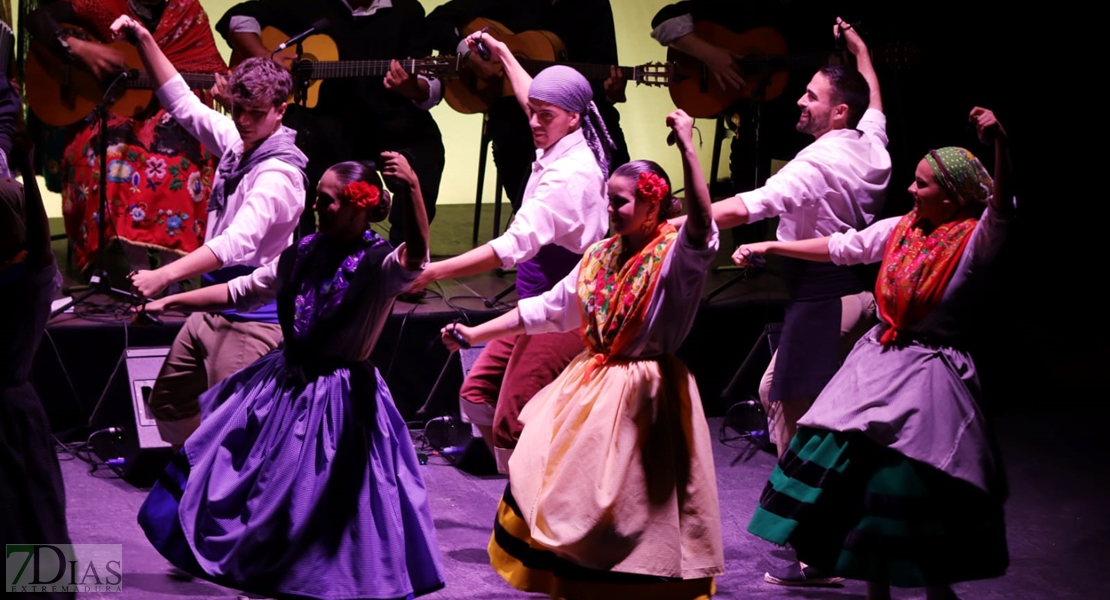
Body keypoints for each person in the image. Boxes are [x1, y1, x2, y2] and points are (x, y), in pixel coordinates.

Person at [133, 149, 444, 599]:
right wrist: (169, 300)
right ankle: (263, 570)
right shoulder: (302, 252)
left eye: (328, 200)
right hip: (284, 385)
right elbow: (240, 289)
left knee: (324, 502)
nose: (315, 207)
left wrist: (413, 188)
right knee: (252, 487)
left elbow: (417, 255)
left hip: (341, 399)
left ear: (359, 206)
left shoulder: (381, 266)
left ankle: (317, 582)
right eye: (317, 197)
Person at [441, 109, 721, 598]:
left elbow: (701, 223)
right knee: (564, 493)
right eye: (608, 201)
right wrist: (474, 332)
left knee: (633, 508)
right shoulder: (598, 256)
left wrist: (689, 152)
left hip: (647, 394)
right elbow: (547, 310)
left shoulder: (676, 257)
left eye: (620, 202)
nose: (610, 209)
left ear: (653, 206)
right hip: (592, 385)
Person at [741, 107, 1014, 600]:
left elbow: (1003, 208)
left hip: (929, 373)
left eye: (923, 185)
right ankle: (874, 589)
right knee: (852, 474)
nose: (911, 190)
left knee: (911, 485)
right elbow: (844, 246)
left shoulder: (974, 240)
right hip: (876, 363)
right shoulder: (902, 229)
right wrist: (772, 249)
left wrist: (1001, 144)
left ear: (953, 199)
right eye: (914, 181)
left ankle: (937, 588)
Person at [415, 31, 614, 474]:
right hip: (531, 306)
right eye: (533, 112)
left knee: (509, 422)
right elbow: (534, 97)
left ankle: (536, 495)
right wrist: (504, 53)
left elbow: (509, 247)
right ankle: (522, 473)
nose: (533, 121)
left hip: (563, 311)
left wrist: (433, 273)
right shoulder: (567, 136)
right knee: (476, 396)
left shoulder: (568, 178)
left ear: (574, 118)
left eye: (545, 116)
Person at [117, 14, 307, 448]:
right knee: (169, 405)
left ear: (280, 110)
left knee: (234, 435)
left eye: (255, 114)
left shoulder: (277, 175)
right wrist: (144, 38)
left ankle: (230, 502)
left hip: (252, 319)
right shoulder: (241, 143)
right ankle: (199, 484)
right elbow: (184, 103)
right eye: (238, 109)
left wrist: (164, 275)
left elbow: (236, 244)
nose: (242, 120)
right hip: (210, 307)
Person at [215, 0, 445, 246]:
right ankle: (299, 255)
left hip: (387, 123)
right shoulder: (306, 5)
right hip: (323, 124)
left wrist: (413, 88)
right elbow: (237, 19)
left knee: (427, 151)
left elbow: (429, 82)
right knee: (292, 154)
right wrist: (265, 57)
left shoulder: (407, 11)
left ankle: (402, 257)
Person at [27, 0, 227, 275]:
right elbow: (38, 18)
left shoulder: (187, 11)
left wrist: (227, 93)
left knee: (183, 169)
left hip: (172, 113)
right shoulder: (103, 2)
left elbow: (205, 66)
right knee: (113, 163)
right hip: (108, 112)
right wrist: (79, 48)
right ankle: (138, 271)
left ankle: (173, 273)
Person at [425, 0, 630, 210]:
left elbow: (604, 71)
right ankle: (531, 221)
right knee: (510, 136)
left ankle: (598, 231)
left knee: (619, 164)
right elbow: (434, 23)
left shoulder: (593, 6)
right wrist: (470, 56)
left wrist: (611, 92)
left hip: (579, 108)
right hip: (516, 113)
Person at [1, 134, 75, 600]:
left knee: (26, 515)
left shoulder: (31, 277)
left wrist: (28, 169)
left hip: (10, 417)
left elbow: (41, 243)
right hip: (13, 411)